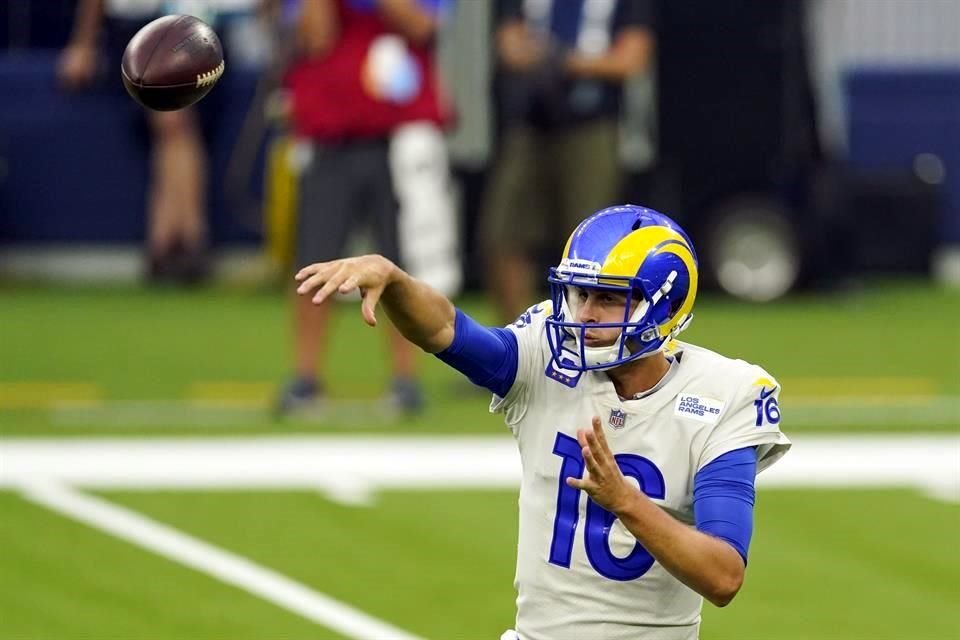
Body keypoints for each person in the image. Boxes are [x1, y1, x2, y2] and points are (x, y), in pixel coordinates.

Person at [294, 204, 791, 639]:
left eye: (609, 298)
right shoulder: (546, 355)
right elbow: (447, 330)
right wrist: (397, 281)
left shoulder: (724, 394)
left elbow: (724, 576)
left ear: (661, 303)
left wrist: (626, 503)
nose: (587, 315)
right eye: (580, 295)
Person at [275, 0, 455, 416]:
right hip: (330, 130)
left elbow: (422, 25)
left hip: (399, 133)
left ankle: (406, 378)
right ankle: (305, 377)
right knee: (314, 258)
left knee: (402, 263)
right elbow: (315, 37)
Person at [481, 0, 654, 324]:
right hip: (529, 124)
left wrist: (566, 62)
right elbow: (508, 44)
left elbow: (633, 58)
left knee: (592, 245)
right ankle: (516, 348)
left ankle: (586, 345)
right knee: (503, 236)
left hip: (590, 125)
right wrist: (541, 58)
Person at [59, 0, 214, 283]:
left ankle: (178, 240)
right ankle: (176, 240)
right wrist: (84, 41)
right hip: (138, 24)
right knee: (171, 128)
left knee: (173, 125)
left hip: (188, 20)